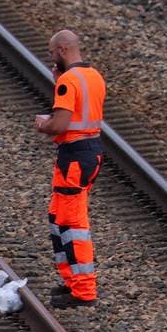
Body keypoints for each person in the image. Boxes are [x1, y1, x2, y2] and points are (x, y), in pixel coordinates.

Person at [34, 29, 105, 308]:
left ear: (63, 50)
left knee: (73, 223)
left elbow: (60, 124)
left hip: (74, 156)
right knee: (59, 216)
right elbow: (81, 111)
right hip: (90, 151)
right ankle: (72, 282)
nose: (51, 58)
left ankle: (84, 290)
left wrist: (42, 124)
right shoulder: (93, 76)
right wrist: (58, 81)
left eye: (52, 53)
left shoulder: (68, 82)